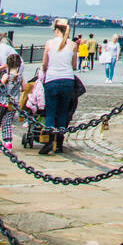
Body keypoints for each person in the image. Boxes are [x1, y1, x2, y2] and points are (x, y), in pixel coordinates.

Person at [39, 18, 78, 155]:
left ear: (56, 30)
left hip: (52, 79)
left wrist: (45, 71)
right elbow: (74, 66)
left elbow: (44, 63)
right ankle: (59, 143)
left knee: (50, 112)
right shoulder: (73, 45)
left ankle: (49, 140)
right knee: (62, 112)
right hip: (67, 79)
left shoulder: (49, 43)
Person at [0, 53, 24, 148]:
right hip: (14, 103)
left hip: (2, 102)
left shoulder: (6, 75)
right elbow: (24, 88)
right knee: (7, 121)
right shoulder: (20, 77)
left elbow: (0, 86)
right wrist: (16, 90)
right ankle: (8, 141)